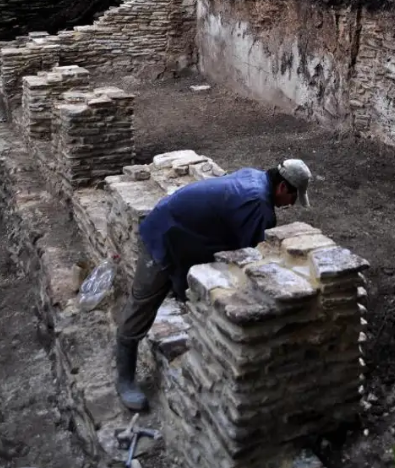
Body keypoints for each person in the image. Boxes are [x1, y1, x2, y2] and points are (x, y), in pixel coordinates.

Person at [116, 158, 312, 411]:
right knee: (143, 305)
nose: (292, 204)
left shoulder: (254, 176)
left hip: (186, 239)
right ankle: (125, 380)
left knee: (192, 296)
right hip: (164, 237)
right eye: (294, 197)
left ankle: (199, 356)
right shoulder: (257, 204)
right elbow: (248, 259)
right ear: (283, 187)